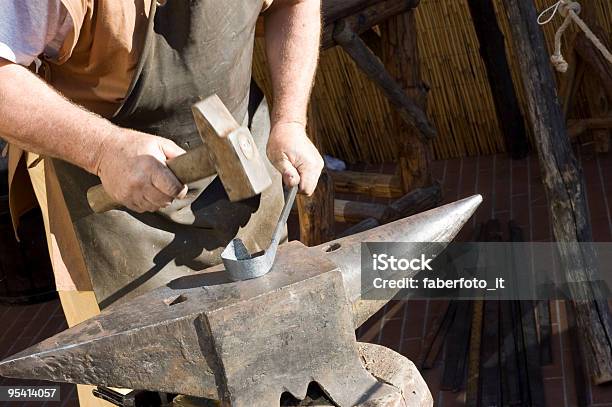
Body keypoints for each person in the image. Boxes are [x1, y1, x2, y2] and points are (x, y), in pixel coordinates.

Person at [0, 1, 323, 404]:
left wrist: (290, 119)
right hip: (108, 194)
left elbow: (295, 4)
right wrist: (104, 149)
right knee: (139, 379)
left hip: (243, 158)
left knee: (272, 350)